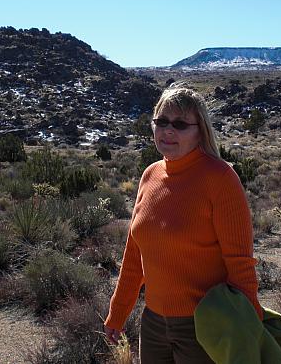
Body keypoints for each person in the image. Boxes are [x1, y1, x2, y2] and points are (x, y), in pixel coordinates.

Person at [104, 87, 263, 363]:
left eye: (180, 124)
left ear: (200, 131)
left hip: (206, 324)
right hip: (153, 325)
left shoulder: (220, 179)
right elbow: (134, 256)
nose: (168, 130)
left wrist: (249, 329)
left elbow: (240, 266)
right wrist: (117, 313)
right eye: (162, 121)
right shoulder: (150, 175)